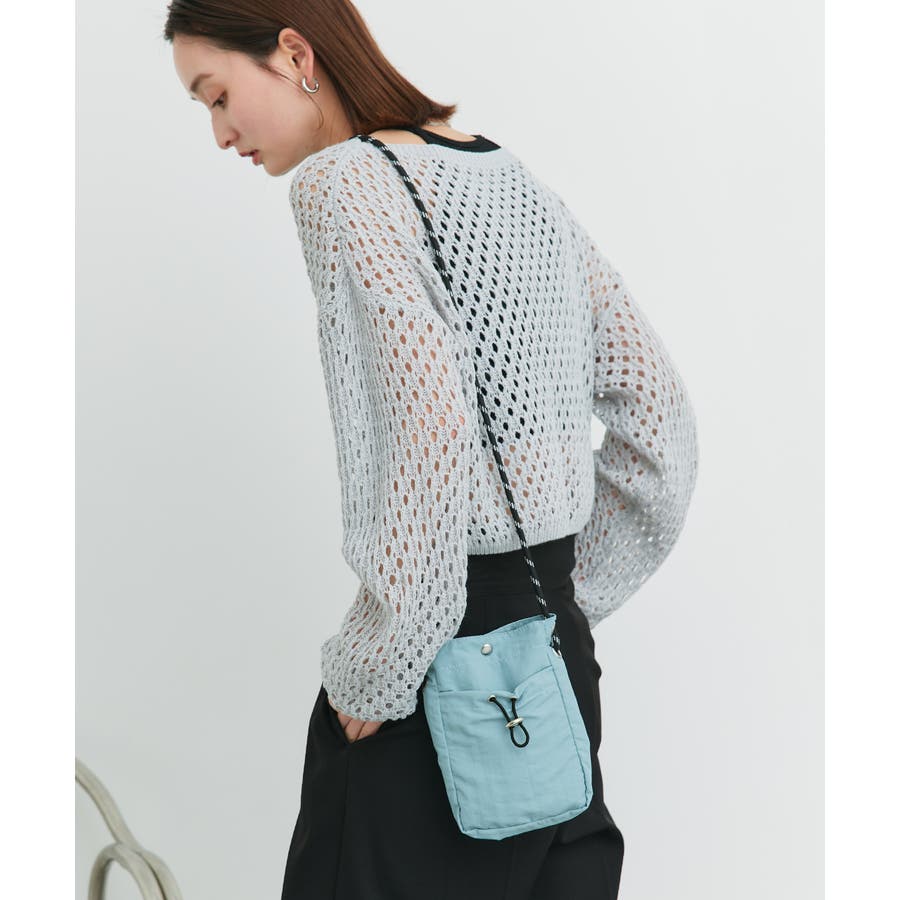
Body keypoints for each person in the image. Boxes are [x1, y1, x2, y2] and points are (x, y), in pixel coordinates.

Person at [165, 1, 699, 897]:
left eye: (217, 95)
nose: (220, 133)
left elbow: (430, 427)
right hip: (553, 672)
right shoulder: (511, 176)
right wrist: (556, 607)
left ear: (293, 52)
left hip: (433, 680)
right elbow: (660, 420)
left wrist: (382, 667)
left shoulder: (342, 185)